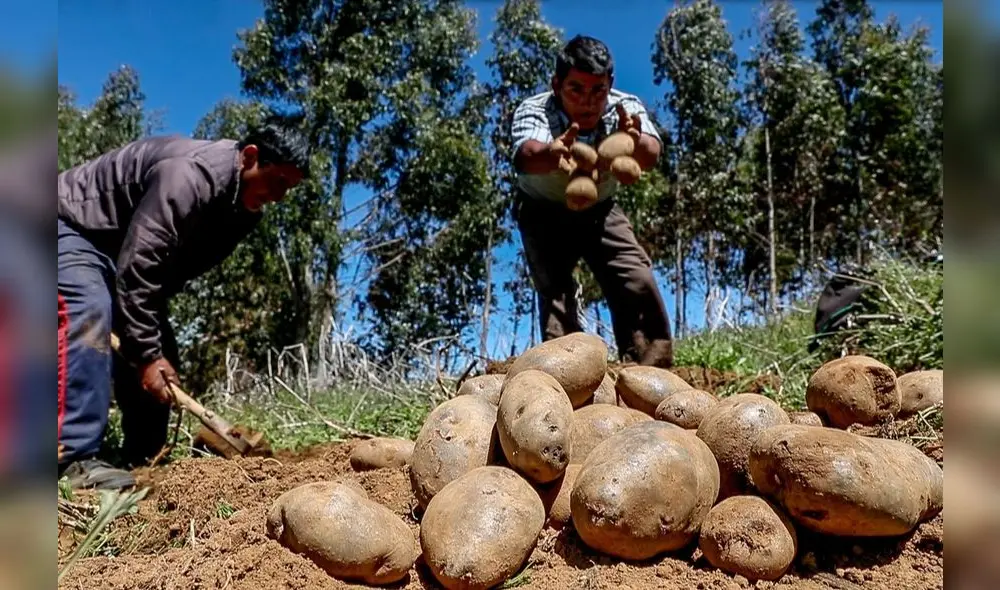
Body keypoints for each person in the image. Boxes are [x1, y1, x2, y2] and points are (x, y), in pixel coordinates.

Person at [57, 119, 310, 490]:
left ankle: (145, 459)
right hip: (67, 225)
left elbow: (165, 273)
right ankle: (70, 460)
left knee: (160, 356)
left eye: (289, 189)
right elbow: (142, 261)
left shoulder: (241, 209)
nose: (280, 197)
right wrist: (143, 349)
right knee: (90, 308)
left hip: (117, 256)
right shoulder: (189, 175)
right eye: (278, 183)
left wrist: (145, 345)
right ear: (251, 157)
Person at [510, 35, 673, 367]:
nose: (588, 101)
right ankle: (569, 378)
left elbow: (652, 153)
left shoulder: (625, 108)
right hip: (543, 212)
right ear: (557, 84)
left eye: (598, 90)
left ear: (609, 84)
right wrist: (552, 153)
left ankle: (652, 372)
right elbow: (525, 156)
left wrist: (632, 139)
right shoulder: (535, 109)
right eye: (576, 90)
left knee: (636, 278)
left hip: (601, 210)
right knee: (556, 294)